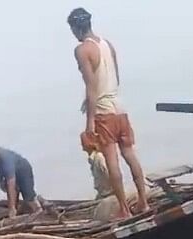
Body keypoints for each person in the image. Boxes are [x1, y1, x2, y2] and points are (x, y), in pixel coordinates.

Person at [68, 7, 149, 218]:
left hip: (104, 111)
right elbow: (117, 78)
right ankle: (143, 202)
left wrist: (90, 122)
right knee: (130, 154)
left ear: (76, 28)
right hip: (119, 107)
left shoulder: (82, 50)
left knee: (111, 159)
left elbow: (91, 86)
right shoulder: (107, 45)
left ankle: (124, 209)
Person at [0, 144, 41, 218]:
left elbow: (11, 184)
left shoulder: (6, 160)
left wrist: (11, 208)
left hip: (23, 170)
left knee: (28, 195)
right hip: (12, 172)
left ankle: (38, 211)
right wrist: (1, 181)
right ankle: (16, 210)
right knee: (10, 190)